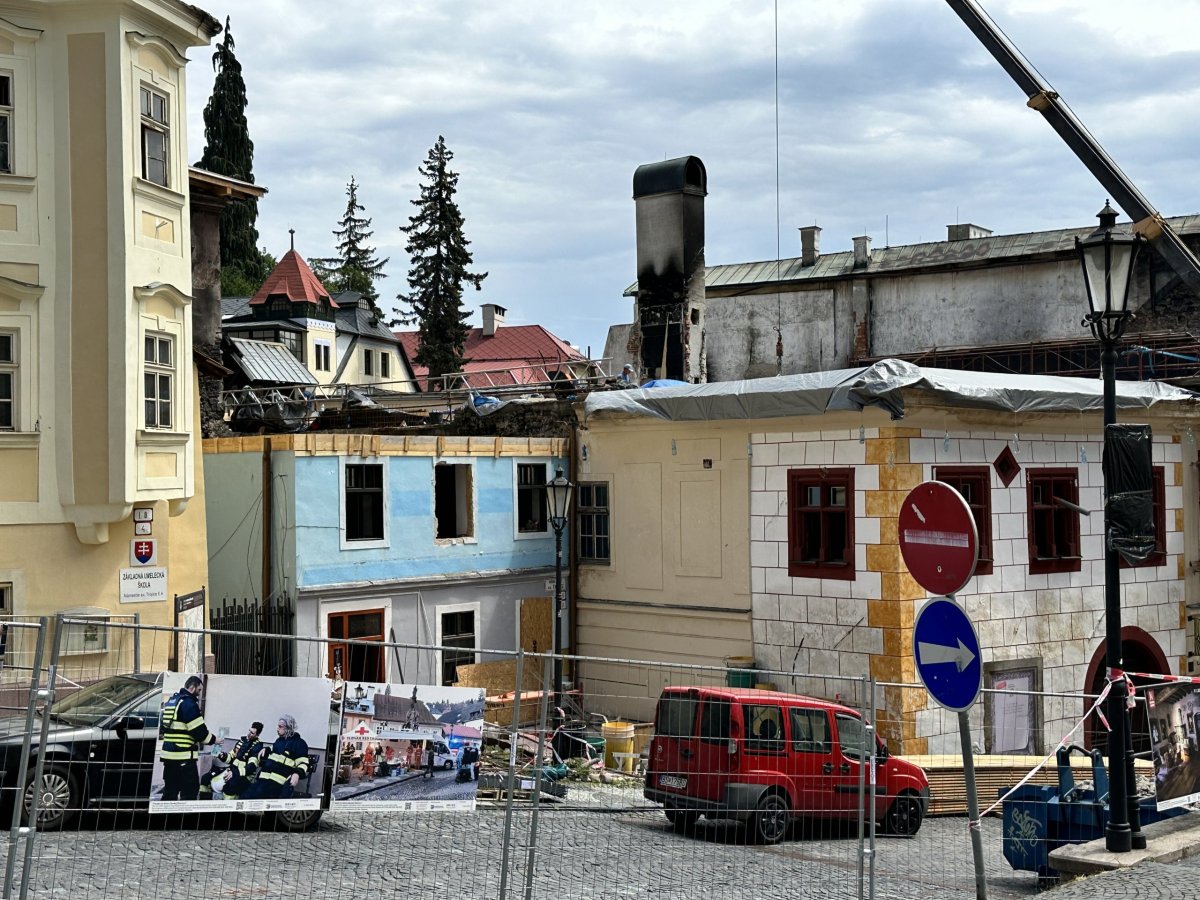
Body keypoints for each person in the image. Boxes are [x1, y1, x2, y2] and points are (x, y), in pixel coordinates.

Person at [159, 675, 217, 802]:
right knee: (189, 793)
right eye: (199, 690)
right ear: (193, 687)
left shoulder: (172, 701)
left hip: (169, 758)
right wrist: (214, 740)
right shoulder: (189, 704)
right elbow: (200, 733)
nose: (199, 693)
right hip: (183, 758)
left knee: (170, 792)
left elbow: (163, 728)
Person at [242, 714, 310, 800]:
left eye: (280, 726)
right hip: (263, 779)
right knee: (244, 796)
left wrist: (297, 774)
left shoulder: (299, 743)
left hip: (278, 783)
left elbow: (303, 763)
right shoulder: (279, 741)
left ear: (288, 727)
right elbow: (273, 749)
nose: (277, 728)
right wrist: (266, 749)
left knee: (254, 797)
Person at [201, 721, 264, 799]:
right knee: (205, 778)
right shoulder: (241, 741)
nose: (249, 734)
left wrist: (235, 772)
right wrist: (221, 755)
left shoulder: (258, 747)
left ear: (257, 735)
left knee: (229, 786)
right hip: (231, 771)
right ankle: (205, 806)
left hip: (244, 777)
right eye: (249, 731)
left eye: (252, 733)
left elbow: (251, 768)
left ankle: (227, 809)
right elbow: (231, 758)